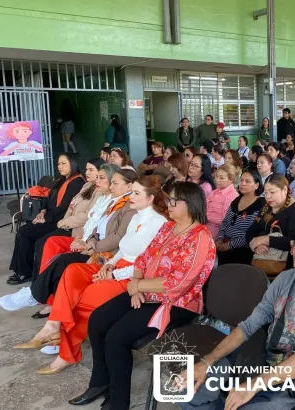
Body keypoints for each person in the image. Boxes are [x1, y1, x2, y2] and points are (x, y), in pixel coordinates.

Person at [69, 182, 215, 410]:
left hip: (176, 303)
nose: (168, 204)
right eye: (168, 199)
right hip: (145, 291)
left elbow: (178, 284)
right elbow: (143, 258)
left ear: (190, 203)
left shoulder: (200, 237)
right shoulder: (168, 227)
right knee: (98, 320)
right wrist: (137, 285)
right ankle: (100, 382)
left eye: (173, 200)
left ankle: (118, 403)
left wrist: (137, 285)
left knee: (117, 337)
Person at [181, 219, 295, 410]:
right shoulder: (285, 278)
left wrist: (254, 385)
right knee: (184, 390)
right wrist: (207, 362)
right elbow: (249, 325)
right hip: (262, 358)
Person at [13, 176, 169, 373]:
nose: (132, 196)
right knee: (72, 271)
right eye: (133, 192)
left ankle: (65, 355)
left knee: (84, 298)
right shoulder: (137, 216)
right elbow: (123, 249)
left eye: (137, 193)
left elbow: (147, 264)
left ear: (151, 198)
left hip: (131, 277)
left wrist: (115, 274)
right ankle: (52, 326)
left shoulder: (159, 223)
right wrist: (110, 264)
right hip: (116, 267)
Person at [0, 159, 103, 311]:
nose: (87, 173)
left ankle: (36, 290)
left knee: (43, 244)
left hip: (73, 229)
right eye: (59, 163)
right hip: (67, 224)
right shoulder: (84, 185)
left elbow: (86, 216)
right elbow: (65, 205)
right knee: (32, 237)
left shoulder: (83, 184)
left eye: (92, 170)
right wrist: (44, 212)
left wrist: (61, 222)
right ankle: (31, 281)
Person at [29, 169, 138, 310]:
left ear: (129, 186)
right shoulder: (113, 201)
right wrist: (89, 240)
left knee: (64, 262)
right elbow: (97, 224)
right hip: (93, 244)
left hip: (106, 253)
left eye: (115, 183)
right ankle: (44, 298)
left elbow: (119, 237)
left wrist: (91, 246)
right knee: (57, 255)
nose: (111, 186)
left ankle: (38, 296)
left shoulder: (129, 206)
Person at [6, 154, 85, 285]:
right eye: (59, 164)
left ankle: (25, 272)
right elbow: (49, 200)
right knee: (24, 231)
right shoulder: (62, 180)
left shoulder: (77, 182)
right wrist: (43, 211)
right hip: (50, 216)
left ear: (73, 164)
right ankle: (21, 270)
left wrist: (45, 218)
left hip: (59, 221)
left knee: (24, 233)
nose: (60, 167)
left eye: (64, 163)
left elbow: (64, 209)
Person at [246, 175, 295, 267]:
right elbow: (250, 232)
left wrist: (266, 240)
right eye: (266, 192)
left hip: (285, 264)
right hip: (261, 260)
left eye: (272, 192)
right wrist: (257, 246)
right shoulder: (266, 208)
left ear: (285, 190)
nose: (268, 196)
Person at [216, 170, 265, 266]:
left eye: (248, 181)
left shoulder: (260, 205)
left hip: (243, 250)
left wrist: (229, 245)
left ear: (256, 185)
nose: (243, 184)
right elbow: (225, 222)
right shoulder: (236, 200)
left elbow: (251, 234)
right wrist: (220, 238)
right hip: (224, 244)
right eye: (241, 180)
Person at [206, 165, 240, 239]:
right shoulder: (215, 191)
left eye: (221, 178)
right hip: (205, 225)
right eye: (216, 176)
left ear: (231, 180)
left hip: (217, 231)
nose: (217, 180)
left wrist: (206, 217)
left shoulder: (231, 196)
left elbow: (225, 221)